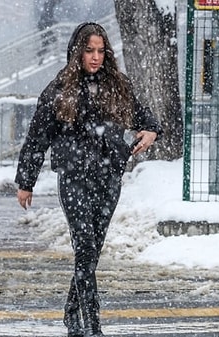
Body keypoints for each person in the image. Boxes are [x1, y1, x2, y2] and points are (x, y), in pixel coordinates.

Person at [15, 22, 162, 337]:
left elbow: (147, 118)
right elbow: (37, 138)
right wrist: (25, 180)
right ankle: (92, 326)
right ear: (77, 52)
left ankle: (71, 312)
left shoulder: (117, 86)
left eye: (100, 51)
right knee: (84, 247)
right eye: (88, 50)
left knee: (92, 249)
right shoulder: (59, 91)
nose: (95, 57)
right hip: (74, 178)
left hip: (109, 176)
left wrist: (151, 132)